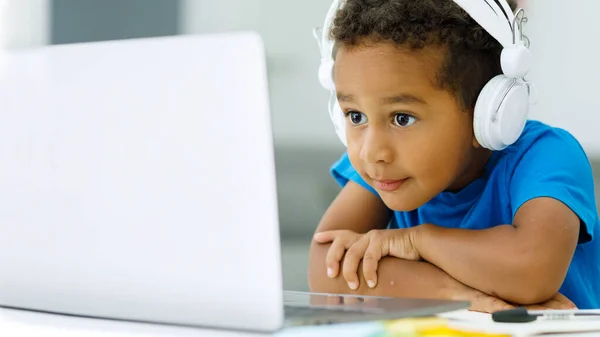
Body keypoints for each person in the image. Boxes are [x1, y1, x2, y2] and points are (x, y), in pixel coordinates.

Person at [308, 0, 600, 312]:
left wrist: (417, 241)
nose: (371, 151)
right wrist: (454, 295)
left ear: (487, 114)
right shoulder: (388, 175)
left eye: (402, 118)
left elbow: (531, 269)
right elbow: (325, 266)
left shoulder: (546, 154)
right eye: (355, 116)